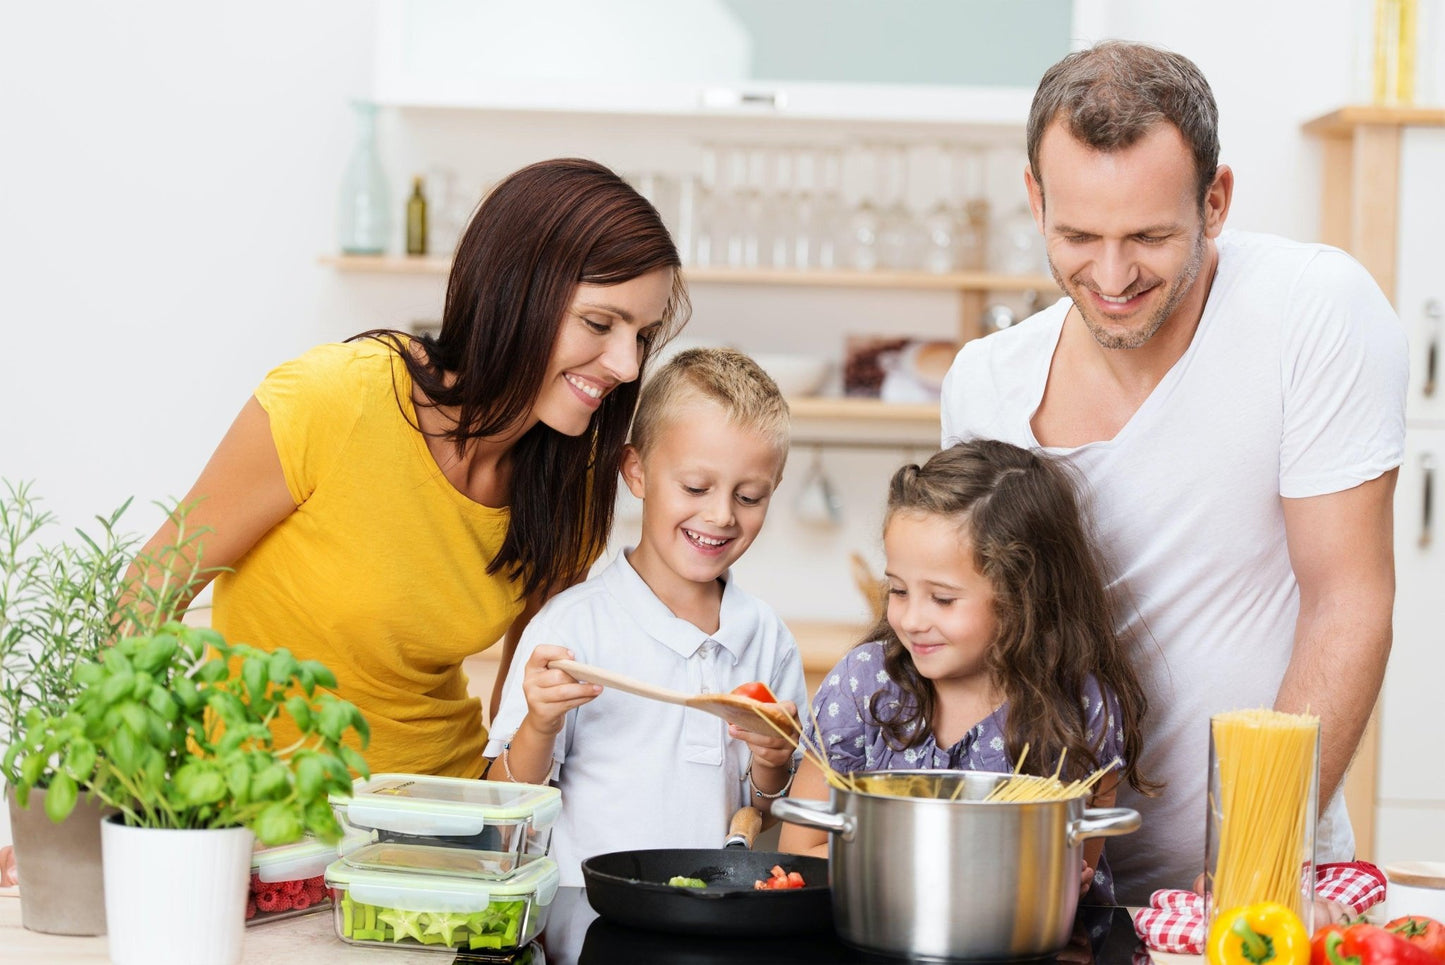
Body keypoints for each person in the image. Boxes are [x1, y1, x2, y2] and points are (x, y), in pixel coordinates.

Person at [940, 41, 1408, 902]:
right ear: (1035, 198)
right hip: (1042, 891)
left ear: (1215, 199)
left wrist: (1244, 877)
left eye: (1149, 236)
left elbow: (1348, 601)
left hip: (1261, 877)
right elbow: (982, 650)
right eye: (1078, 235)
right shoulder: (984, 382)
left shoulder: (1312, 310)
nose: (1111, 277)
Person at [129, 158, 689, 779]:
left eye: (643, 334)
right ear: (515, 292)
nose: (628, 365)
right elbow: (148, 591)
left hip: (438, 824)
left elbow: (517, 718)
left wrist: (494, 831)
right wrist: (105, 784)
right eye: (599, 323)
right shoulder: (336, 397)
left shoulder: (568, 478)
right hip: (264, 818)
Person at [486, 347, 808, 887]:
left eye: (750, 496)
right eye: (696, 488)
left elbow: (763, 812)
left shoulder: (766, 637)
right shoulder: (572, 629)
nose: (722, 514)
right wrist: (541, 722)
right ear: (636, 471)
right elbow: (506, 810)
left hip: (711, 924)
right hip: (590, 926)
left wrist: (773, 761)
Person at [778, 441, 1154, 903]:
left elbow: (1075, 873)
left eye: (942, 598)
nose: (911, 619)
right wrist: (939, 870)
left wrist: (1058, 881)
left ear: (1022, 595)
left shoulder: (1081, 708)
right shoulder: (865, 684)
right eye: (898, 590)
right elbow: (798, 855)